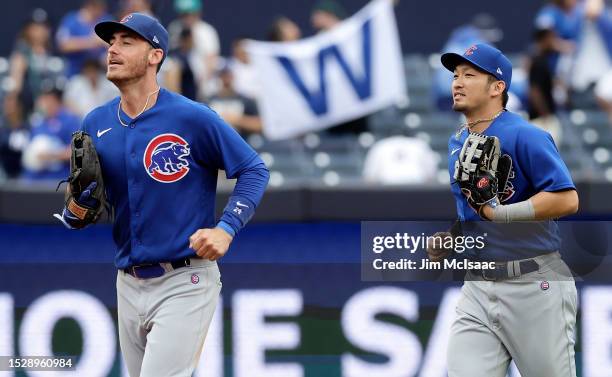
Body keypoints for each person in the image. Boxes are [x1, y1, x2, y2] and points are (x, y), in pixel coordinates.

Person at [55, 13, 269, 377]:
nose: (112, 50)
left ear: (155, 55)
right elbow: (80, 210)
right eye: (111, 42)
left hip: (185, 279)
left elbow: (254, 169)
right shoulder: (96, 122)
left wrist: (226, 228)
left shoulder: (192, 117)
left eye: (126, 42)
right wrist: (77, 206)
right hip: (127, 281)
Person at [428, 43, 579, 376]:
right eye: (455, 75)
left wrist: (501, 214)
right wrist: (453, 236)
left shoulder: (526, 135)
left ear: (498, 87)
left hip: (534, 284)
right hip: (477, 287)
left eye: (469, 74)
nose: (457, 82)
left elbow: (567, 199)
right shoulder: (458, 141)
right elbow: (476, 208)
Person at [21, 88, 80, 181]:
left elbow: (78, 151)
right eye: (43, 99)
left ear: (56, 101)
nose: (44, 103)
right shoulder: (37, 123)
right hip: (33, 178)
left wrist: (51, 155)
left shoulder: (70, 121)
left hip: (58, 178)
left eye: (48, 99)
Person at [9, 10, 60, 114]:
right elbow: (16, 85)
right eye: (36, 27)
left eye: (44, 27)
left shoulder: (52, 53)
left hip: (53, 105)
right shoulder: (22, 52)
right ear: (27, 30)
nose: (41, 31)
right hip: (29, 106)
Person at [168, 0, 220, 99]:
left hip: (201, 83)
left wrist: (202, 84)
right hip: (180, 79)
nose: (186, 17)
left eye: (189, 14)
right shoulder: (175, 27)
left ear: (197, 13)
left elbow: (211, 61)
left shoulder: (206, 31)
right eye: (183, 14)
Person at [56, 0, 110, 77]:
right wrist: (91, 42)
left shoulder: (106, 19)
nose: (99, 11)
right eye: (95, 6)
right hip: (75, 73)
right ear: (88, 5)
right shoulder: (72, 20)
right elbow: (63, 45)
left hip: (100, 74)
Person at [528, 27, 563, 145]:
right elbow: (534, 91)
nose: (554, 41)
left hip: (545, 117)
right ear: (544, 40)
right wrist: (545, 115)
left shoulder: (545, 60)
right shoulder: (538, 62)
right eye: (551, 38)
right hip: (541, 120)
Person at [209, 63, 262, 135]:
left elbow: (260, 125)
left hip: (241, 139)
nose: (225, 79)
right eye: (223, 75)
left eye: (228, 75)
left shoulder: (246, 100)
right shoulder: (209, 100)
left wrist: (238, 120)